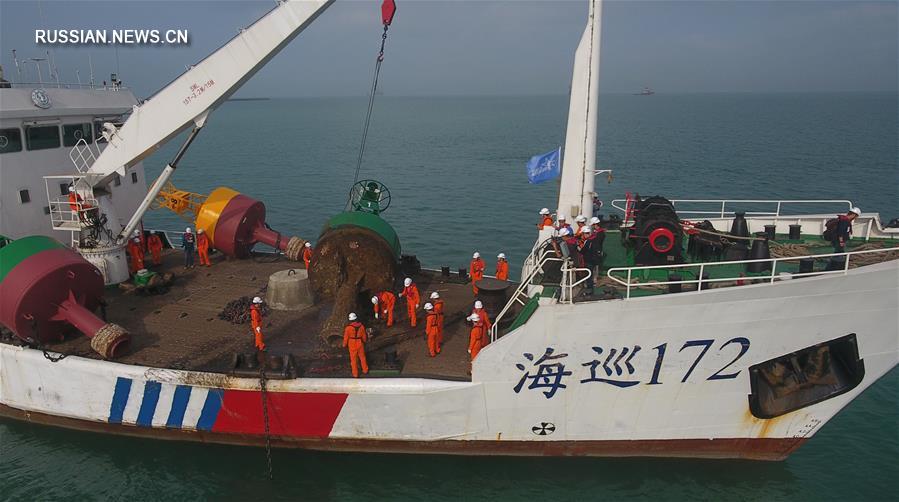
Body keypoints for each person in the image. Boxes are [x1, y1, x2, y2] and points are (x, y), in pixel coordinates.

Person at [343, 312, 369, 378]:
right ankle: (365, 370)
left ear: (350, 320)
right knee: (362, 357)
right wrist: (365, 341)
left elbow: (346, 338)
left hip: (351, 343)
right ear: (356, 318)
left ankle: (355, 374)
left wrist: (344, 345)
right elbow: (364, 337)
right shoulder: (362, 326)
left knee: (353, 359)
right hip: (360, 342)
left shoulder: (348, 328)